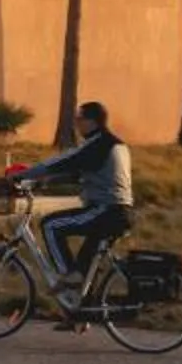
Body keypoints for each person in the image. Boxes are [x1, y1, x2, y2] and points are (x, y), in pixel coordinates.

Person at [17, 99, 135, 298]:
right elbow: (79, 174)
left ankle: (68, 277)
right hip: (119, 211)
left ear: (92, 121)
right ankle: (80, 314)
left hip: (107, 210)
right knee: (87, 267)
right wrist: (45, 183)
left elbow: (63, 162)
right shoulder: (114, 144)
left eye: (79, 119)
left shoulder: (98, 145)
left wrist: (24, 174)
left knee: (51, 225)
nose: (76, 124)